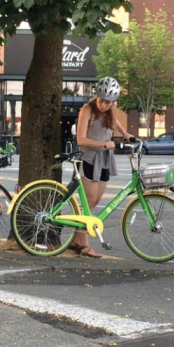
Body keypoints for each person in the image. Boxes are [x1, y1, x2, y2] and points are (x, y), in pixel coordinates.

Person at [71, 77, 133, 258]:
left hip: (105, 159)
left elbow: (115, 123)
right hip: (90, 159)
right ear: (97, 96)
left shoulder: (110, 110)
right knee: (88, 204)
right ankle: (84, 245)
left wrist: (125, 134)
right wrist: (104, 144)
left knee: (95, 202)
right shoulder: (87, 110)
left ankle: (76, 240)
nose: (105, 105)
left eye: (109, 102)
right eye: (102, 100)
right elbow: (81, 140)